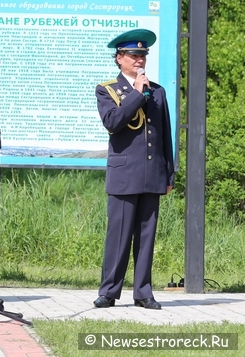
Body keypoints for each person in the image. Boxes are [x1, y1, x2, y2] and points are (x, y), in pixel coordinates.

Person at [93, 29, 174, 310]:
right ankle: (109, 291)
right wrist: (137, 93)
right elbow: (113, 122)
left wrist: (169, 174)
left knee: (146, 237)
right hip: (124, 173)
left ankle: (143, 293)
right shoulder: (108, 90)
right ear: (119, 59)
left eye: (143, 55)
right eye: (133, 55)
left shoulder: (158, 90)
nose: (139, 60)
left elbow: (164, 135)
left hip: (152, 174)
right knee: (119, 236)